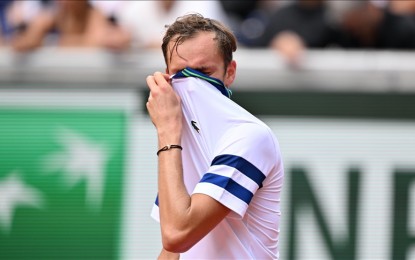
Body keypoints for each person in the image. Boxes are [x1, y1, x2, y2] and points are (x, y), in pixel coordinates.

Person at [146, 13, 284, 259]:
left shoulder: (249, 136)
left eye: (202, 71)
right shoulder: (181, 139)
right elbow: (172, 252)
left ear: (229, 73)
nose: (191, 83)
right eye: (180, 73)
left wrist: (166, 130)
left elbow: (178, 234)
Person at [11, 0, 131, 52]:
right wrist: (29, 40)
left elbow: (92, 45)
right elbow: (27, 41)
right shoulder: (54, 15)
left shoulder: (96, 14)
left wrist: (49, 44)